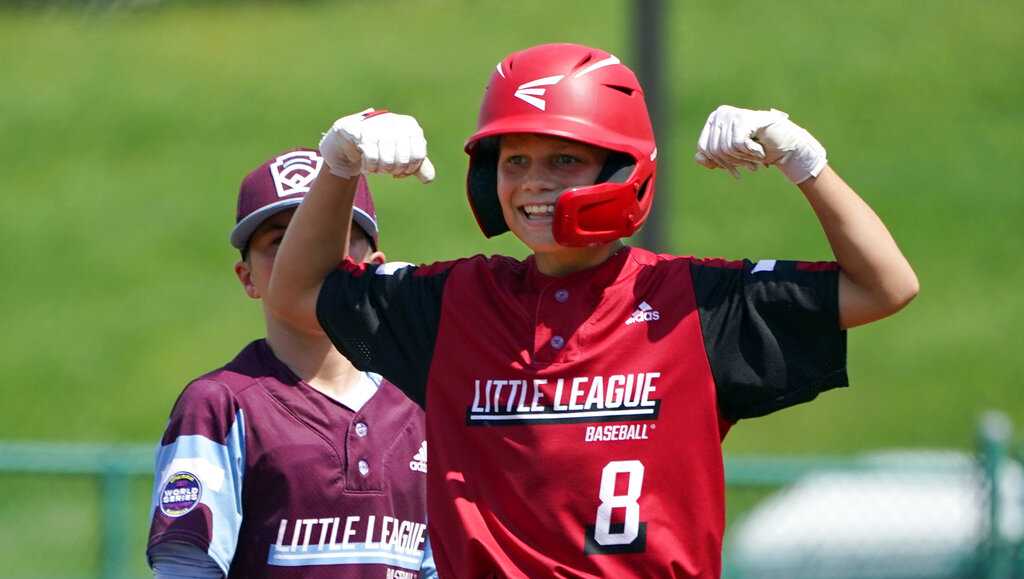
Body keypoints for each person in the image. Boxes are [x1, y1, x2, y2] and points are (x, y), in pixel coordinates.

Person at [265, 43, 920, 578]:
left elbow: (886, 285)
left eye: (564, 160)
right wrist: (339, 165)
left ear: (622, 170)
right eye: (515, 160)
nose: (533, 182)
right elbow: (296, 294)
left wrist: (801, 158)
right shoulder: (456, 303)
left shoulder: (691, 301)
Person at [146, 148, 436, 579]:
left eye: (332, 236)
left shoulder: (419, 401)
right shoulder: (219, 403)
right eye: (282, 242)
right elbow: (186, 569)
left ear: (374, 266)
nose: (309, 258)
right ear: (248, 278)